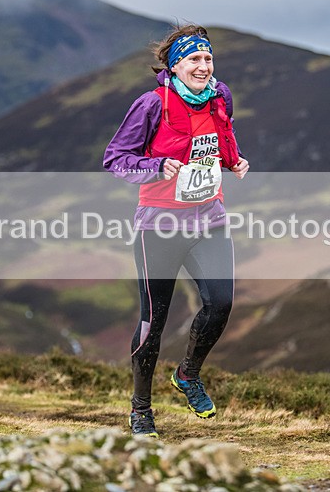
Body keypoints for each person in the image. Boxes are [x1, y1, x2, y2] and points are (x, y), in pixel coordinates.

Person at [103, 24, 249, 438]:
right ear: (173, 64)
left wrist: (234, 163)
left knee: (220, 304)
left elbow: (218, 143)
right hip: (160, 224)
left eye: (208, 58)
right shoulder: (152, 104)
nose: (204, 66)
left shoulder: (221, 97)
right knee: (155, 322)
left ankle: (187, 375)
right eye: (194, 59)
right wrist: (155, 166)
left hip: (209, 218)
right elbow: (115, 159)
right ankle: (141, 409)